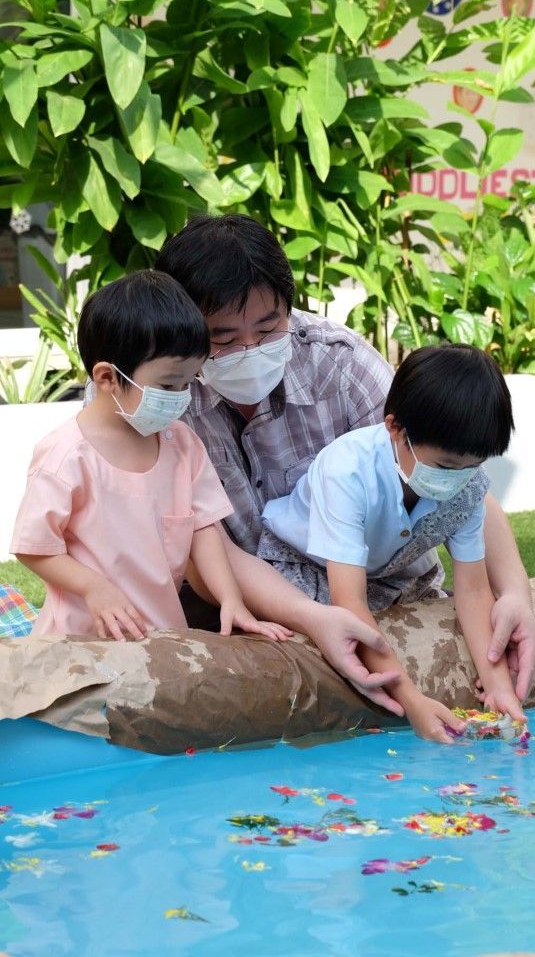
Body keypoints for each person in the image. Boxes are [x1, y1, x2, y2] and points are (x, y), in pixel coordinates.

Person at [155, 215, 535, 702]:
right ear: (182, 328)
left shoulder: (339, 363)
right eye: (224, 339)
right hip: (232, 601)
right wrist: (313, 618)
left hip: (387, 587)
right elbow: (199, 548)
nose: (249, 350)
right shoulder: (154, 392)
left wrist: (516, 592)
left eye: (269, 328)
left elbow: (454, 473)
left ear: (289, 308)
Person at [11, 272, 403, 715]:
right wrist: (93, 587)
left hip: (161, 640)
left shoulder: (180, 443)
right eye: (168, 386)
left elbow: (204, 531)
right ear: (107, 377)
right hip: (78, 643)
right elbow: (34, 547)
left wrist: (231, 599)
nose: (181, 397)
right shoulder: (67, 456)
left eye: (187, 383)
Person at [259, 345, 524, 743]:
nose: (458, 479)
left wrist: (499, 684)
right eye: (446, 466)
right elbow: (349, 603)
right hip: (301, 567)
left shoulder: (467, 484)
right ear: (396, 429)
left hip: (382, 572)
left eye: (473, 466)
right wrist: (411, 700)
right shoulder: (347, 471)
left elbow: (473, 590)